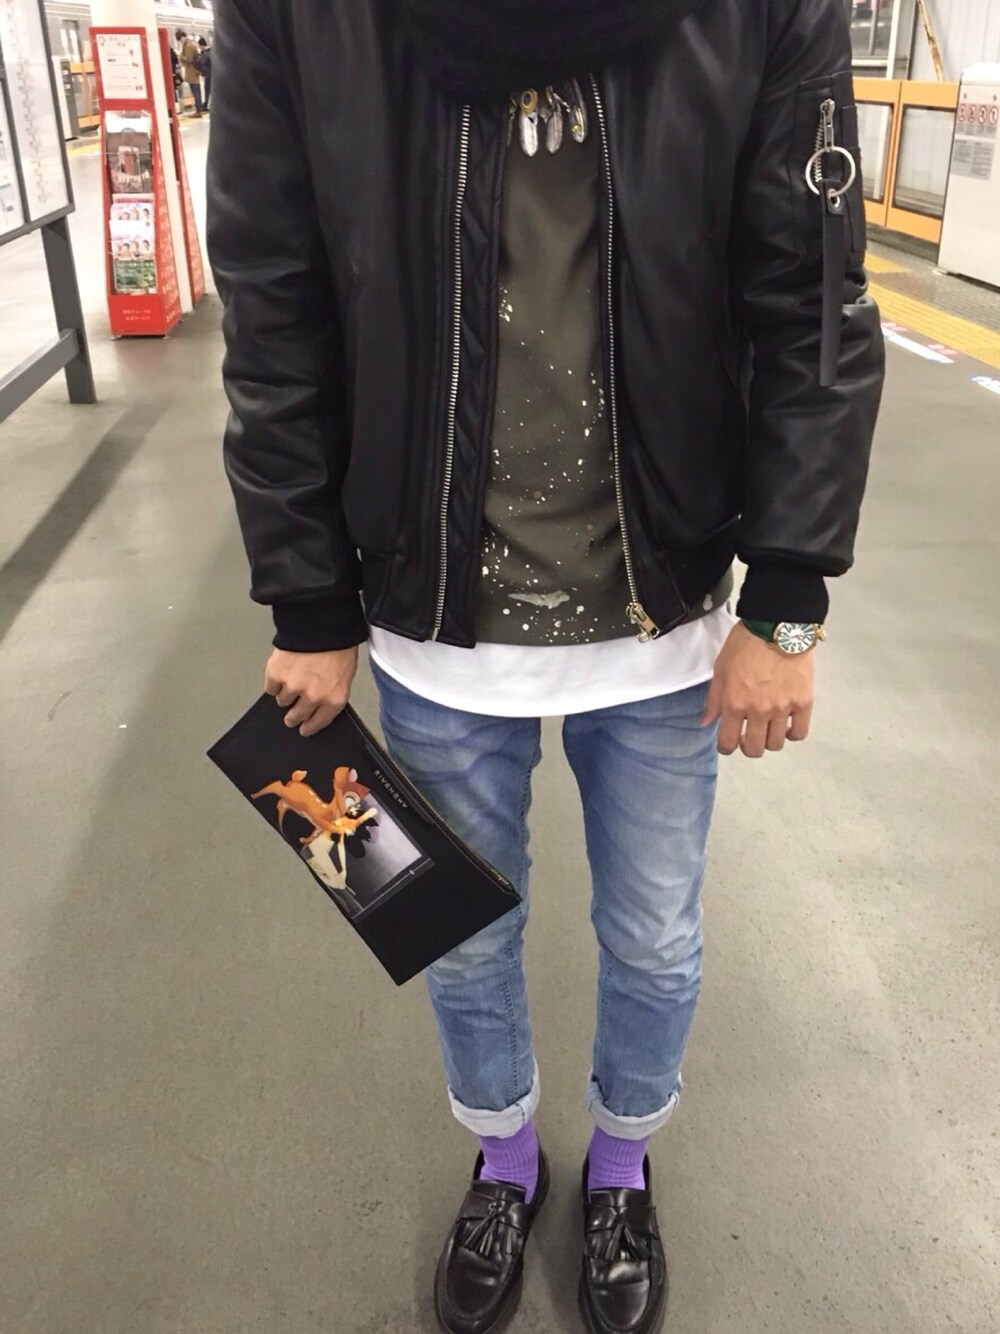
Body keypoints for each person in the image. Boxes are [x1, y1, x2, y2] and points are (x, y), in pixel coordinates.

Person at [207, 2, 884, 1332]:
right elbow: (274, 299)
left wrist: (789, 596)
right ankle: (504, 1158)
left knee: (656, 939)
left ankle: (622, 1163)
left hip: (666, 606)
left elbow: (807, 284)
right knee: (455, 937)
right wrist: (306, 592)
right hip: (429, 611)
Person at [175, 29, 203, 117]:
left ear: (182, 37)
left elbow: (189, 59)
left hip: (192, 71)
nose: (180, 42)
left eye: (180, 40)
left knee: (195, 92)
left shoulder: (188, 46)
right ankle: (199, 109)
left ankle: (198, 111)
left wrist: (180, 56)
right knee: (196, 91)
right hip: (193, 71)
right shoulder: (191, 43)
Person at [196, 37, 213, 113]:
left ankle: (206, 105)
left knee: (207, 90)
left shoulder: (205, 53)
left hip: (208, 74)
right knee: (211, 90)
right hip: (212, 73)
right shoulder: (211, 51)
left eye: (199, 46)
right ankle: (208, 104)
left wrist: (199, 56)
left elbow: (202, 63)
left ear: (201, 45)